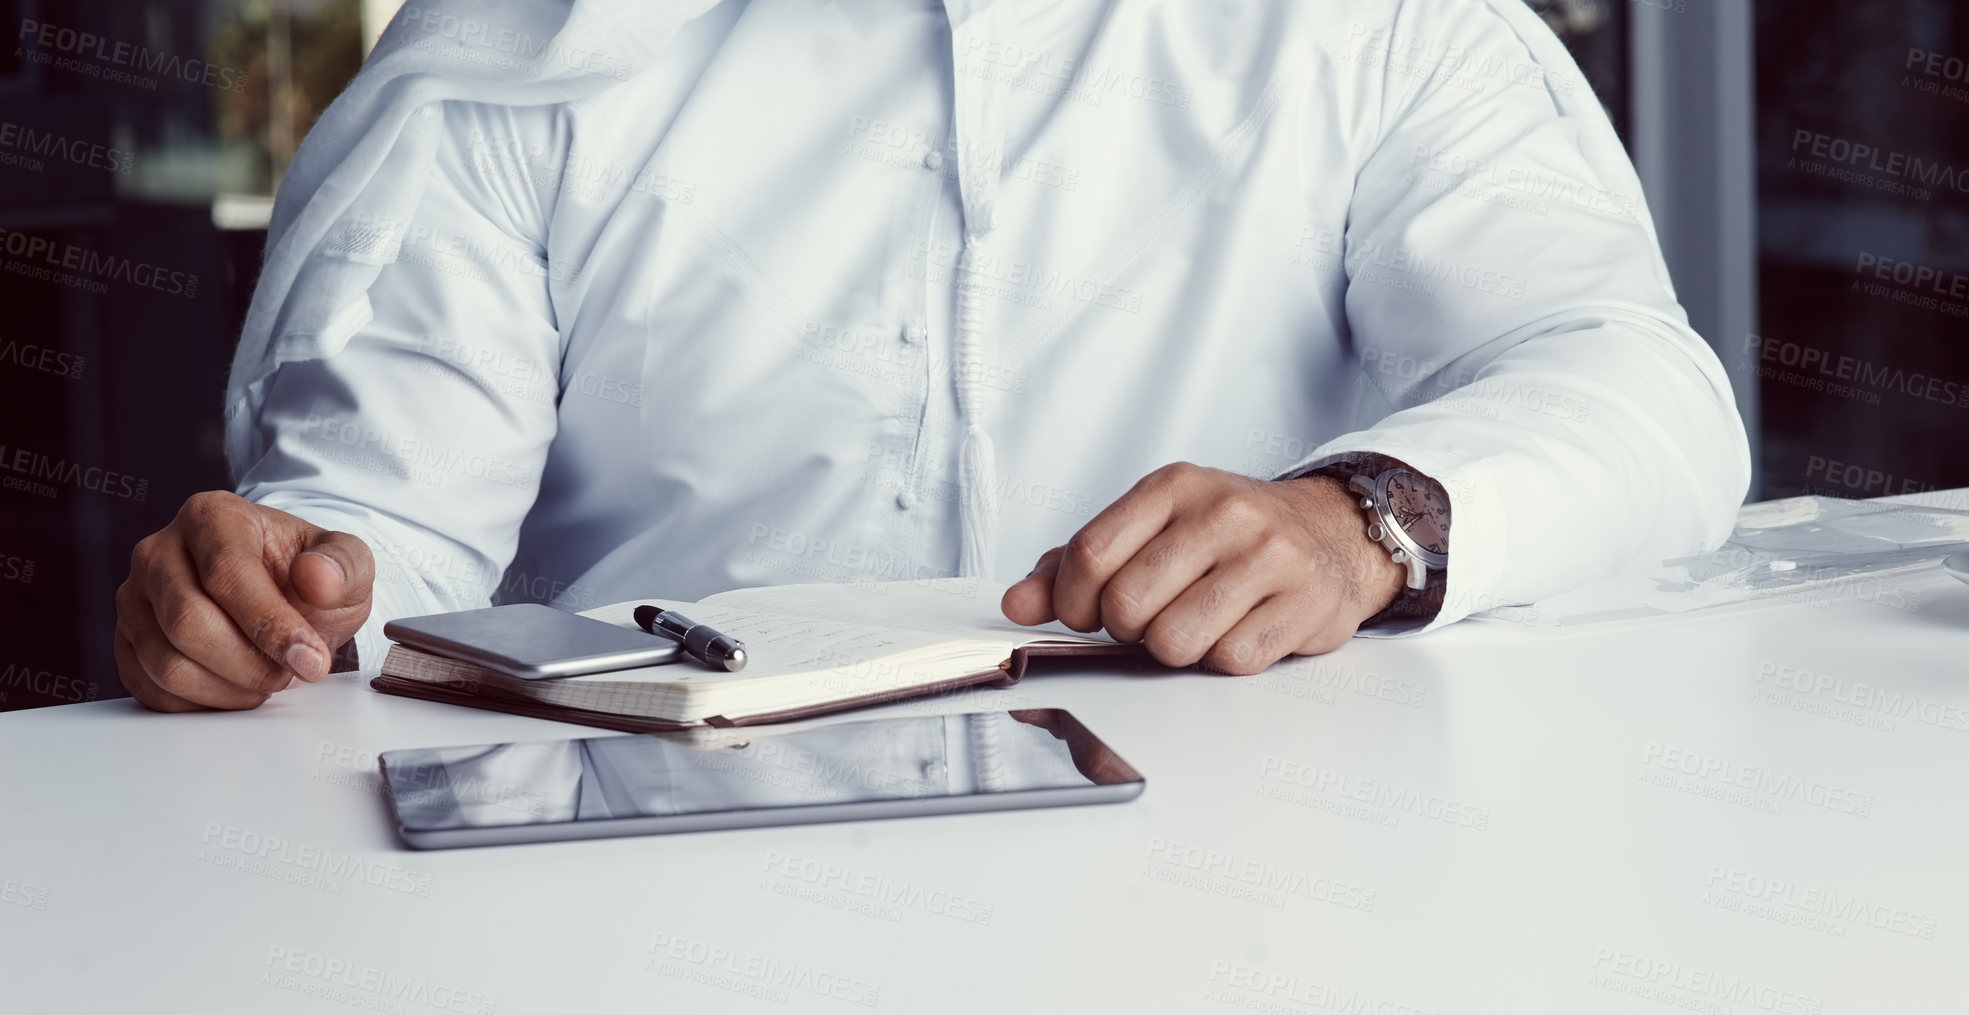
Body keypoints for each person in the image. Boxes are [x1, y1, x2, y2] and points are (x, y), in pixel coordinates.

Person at [113, 0, 1748, 712]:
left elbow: (1633, 383)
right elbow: (379, 548)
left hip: (1242, 889)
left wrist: (1359, 519)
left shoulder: (1371, 27)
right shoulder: (519, 55)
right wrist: (265, 600)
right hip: (660, 887)